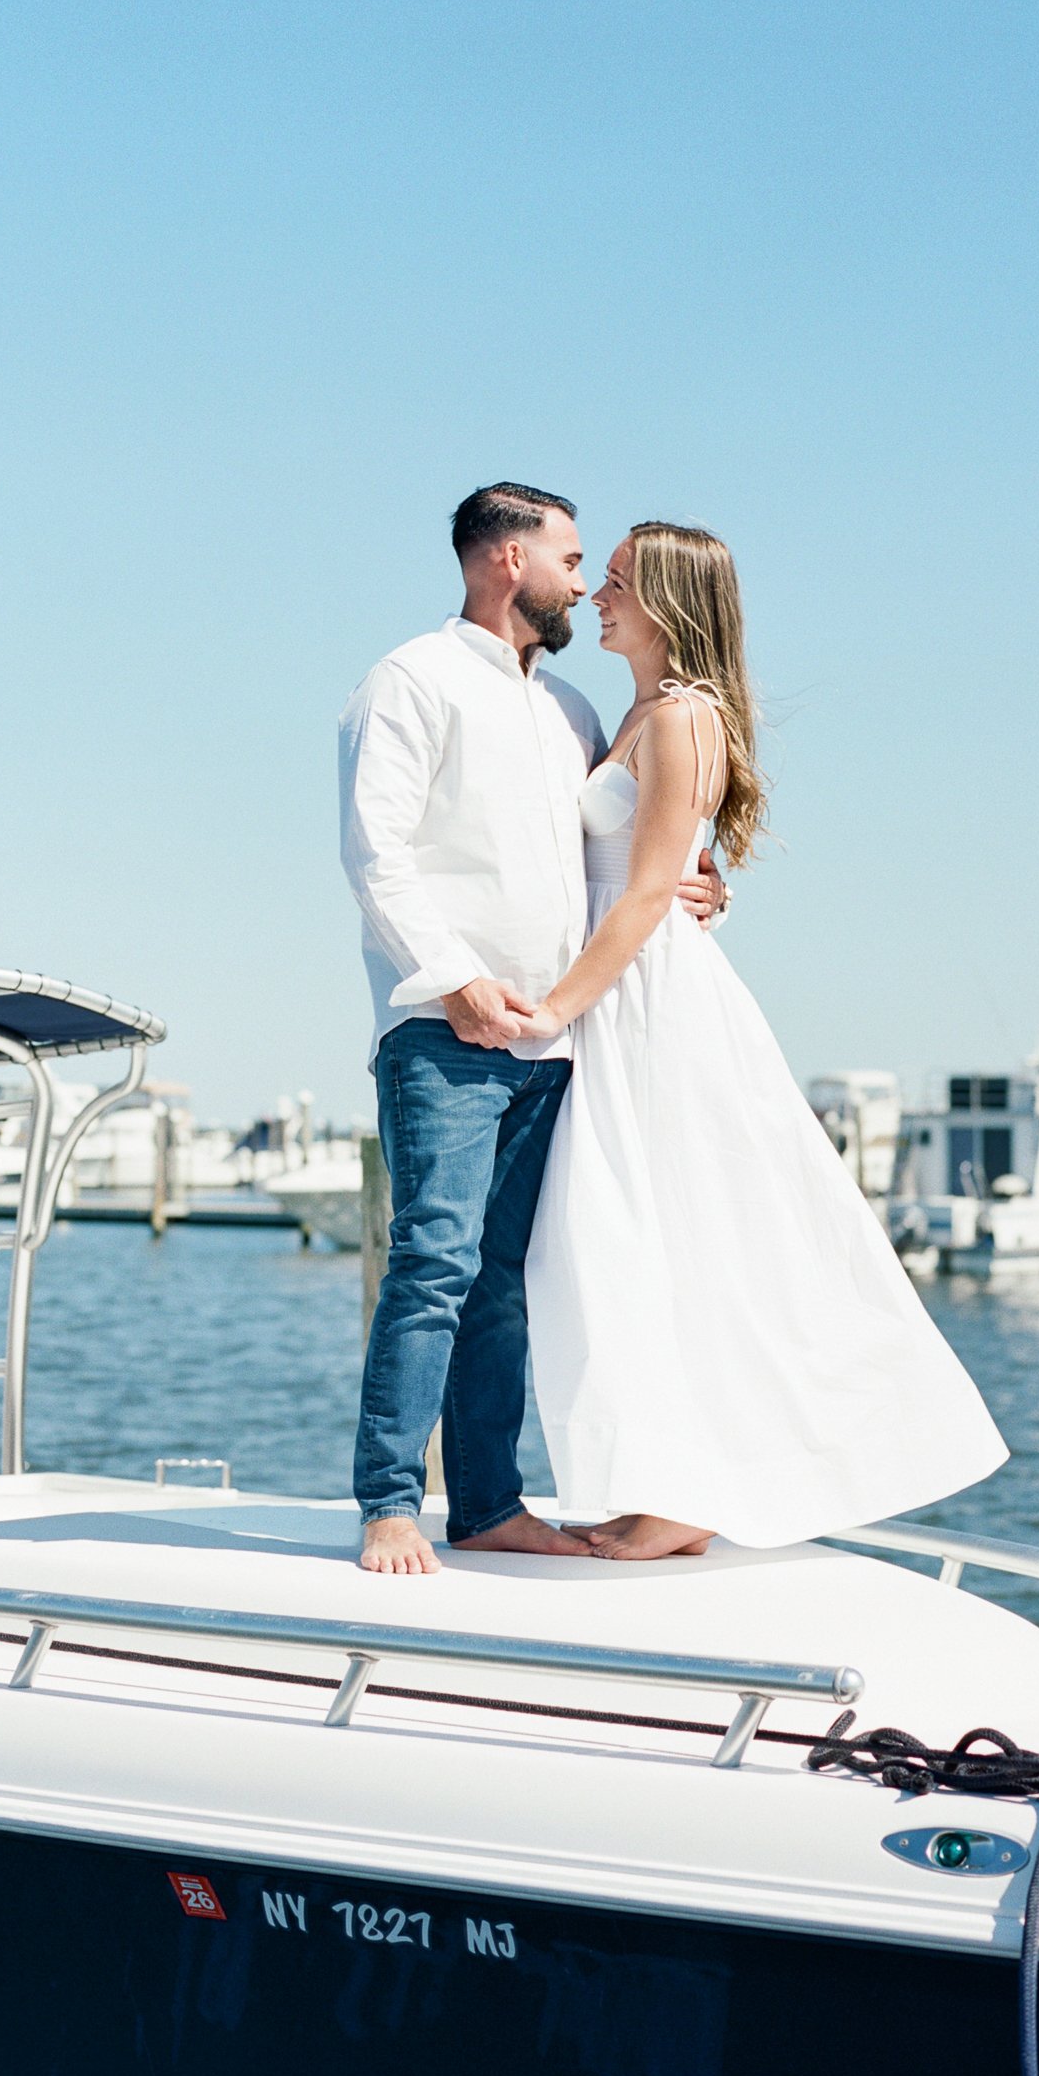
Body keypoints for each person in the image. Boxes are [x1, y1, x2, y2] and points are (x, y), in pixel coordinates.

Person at [518, 521, 1007, 1557]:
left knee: (671, 1229)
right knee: (613, 1240)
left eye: (614, 581)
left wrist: (557, 1007)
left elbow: (650, 886)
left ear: (665, 602)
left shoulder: (681, 717)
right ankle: (662, 1480)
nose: (595, 595)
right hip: (624, 983)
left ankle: (688, 1495)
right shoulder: (634, 712)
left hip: (641, 996)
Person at [339, 485, 724, 1574]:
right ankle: (386, 1504)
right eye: (568, 557)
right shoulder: (407, 680)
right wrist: (456, 981)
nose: (582, 580)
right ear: (506, 559)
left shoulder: (571, 713)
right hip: (446, 1031)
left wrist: (700, 883)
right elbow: (376, 853)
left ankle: (489, 1502)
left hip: (557, 1041)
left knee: (502, 1275)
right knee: (431, 1261)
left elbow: (628, 846)